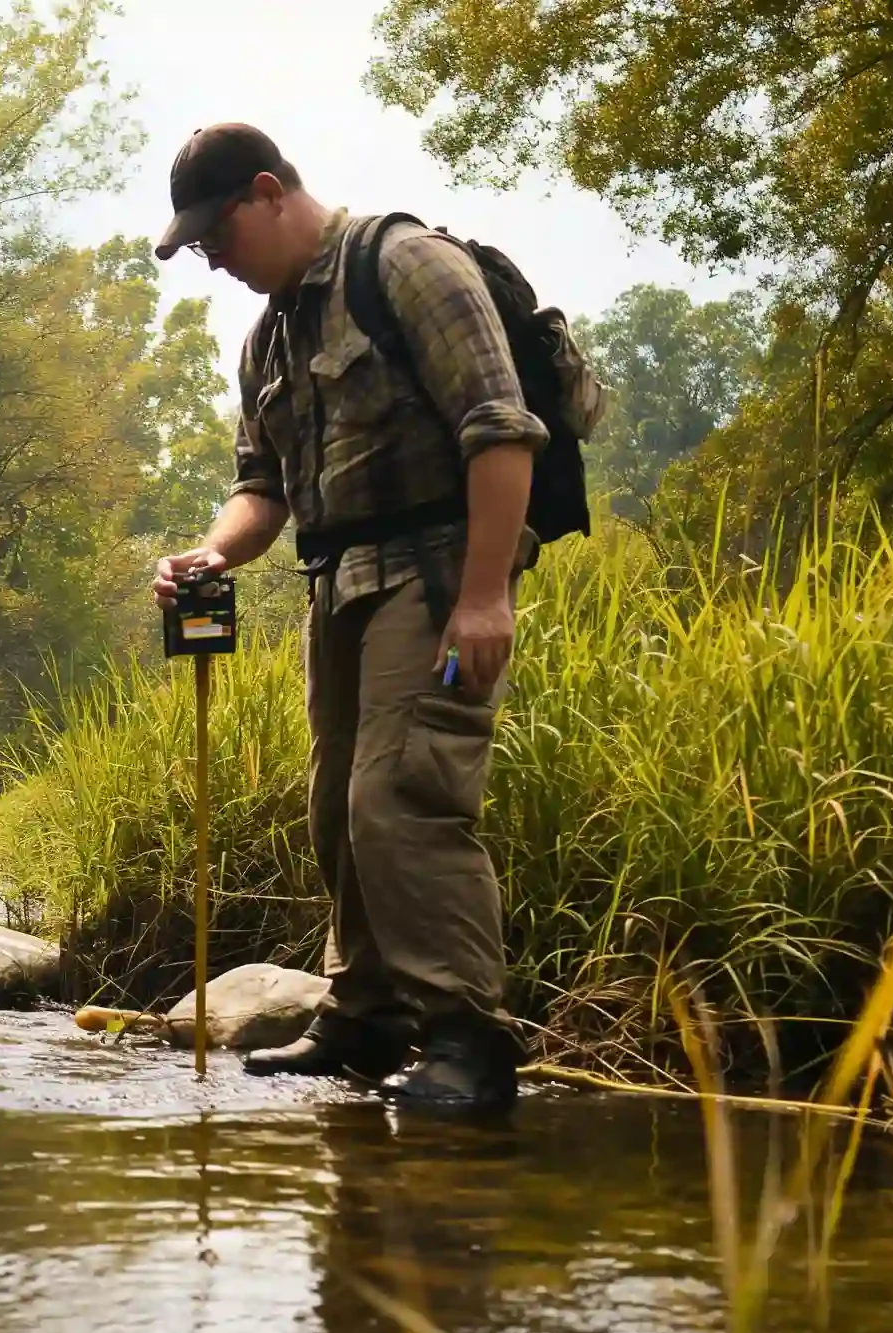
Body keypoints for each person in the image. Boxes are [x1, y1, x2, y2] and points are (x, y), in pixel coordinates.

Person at [148, 124, 543, 1108]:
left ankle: (466, 1041)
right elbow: (261, 488)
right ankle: (363, 1017)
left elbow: (499, 427)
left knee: (402, 797)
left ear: (269, 191)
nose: (213, 260)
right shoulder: (268, 337)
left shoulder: (407, 266)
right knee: (338, 809)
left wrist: (485, 593)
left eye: (217, 236)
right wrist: (212, 550)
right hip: (338, 589)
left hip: (442, 576)